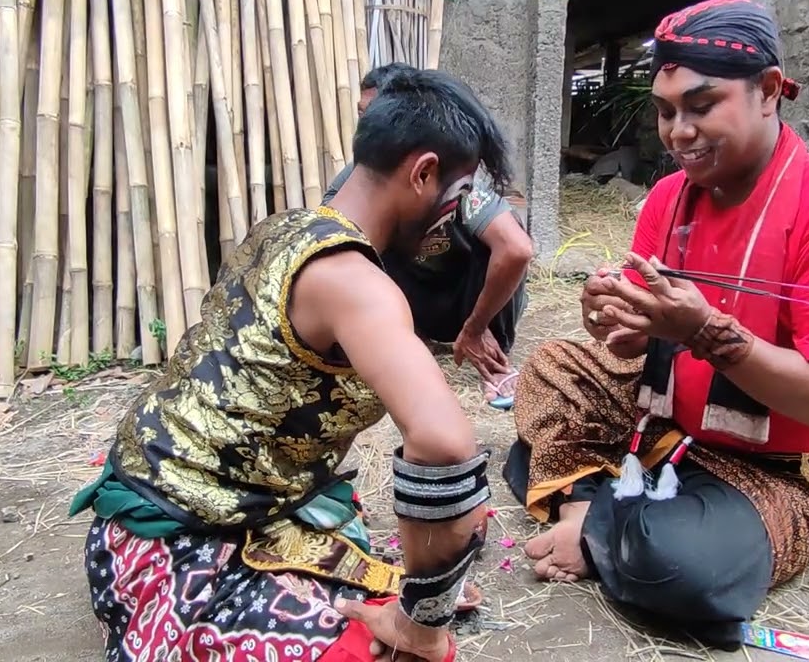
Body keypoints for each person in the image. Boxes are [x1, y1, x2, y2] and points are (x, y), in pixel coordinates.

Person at [69, 68, 513, 662]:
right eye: (455, 198)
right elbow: (446, 444)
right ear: (422, 172)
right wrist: (422, 624)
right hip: (175, 545)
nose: (449, 222)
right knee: (386, 648)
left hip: (154, 516)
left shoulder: (286, 228)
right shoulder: (357, 283)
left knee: (439, 551)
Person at [502, 0, 809, 650]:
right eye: (664, 112)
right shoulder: (669, 197)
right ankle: (599, 513)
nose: (678, 132)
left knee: (680, 570)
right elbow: (635, 337)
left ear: (769, 91)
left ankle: (597, 511)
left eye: (701, 105)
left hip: (780, 471)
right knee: (552, 368)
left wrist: (704, 334)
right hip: (671, 422)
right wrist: (612, 321)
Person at [323, 64, 534, 411]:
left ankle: (488, 353)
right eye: (364, 115)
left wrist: (476, 327)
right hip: (410, 306)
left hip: (464, 303)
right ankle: (414, 338)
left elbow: (516, 249)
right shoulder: (342, 212)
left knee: (492, 245)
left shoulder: (454, 184)